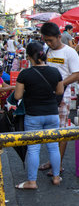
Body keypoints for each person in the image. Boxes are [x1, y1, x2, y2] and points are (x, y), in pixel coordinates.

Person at [14, 42, 64, 189]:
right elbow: (60, 91)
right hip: (52, 113)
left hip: (33, 115)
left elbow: (17, 96)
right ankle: (56, 177)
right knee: (53, 147)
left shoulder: (25, 74)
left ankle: (32, 181)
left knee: (33, 148)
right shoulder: (55, 72)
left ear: (29, 56)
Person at [39, 22, 79, 175]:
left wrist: (60, 84)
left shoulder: (70, 52)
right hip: (47, 95)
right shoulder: (47, 51)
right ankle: (52, 161)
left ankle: (59, 164)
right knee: (50, 129)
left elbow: (77, 74)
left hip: (63, 95)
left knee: (61, 130)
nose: (48, 43)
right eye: (46, 40)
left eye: (50, 40)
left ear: (59, 36)